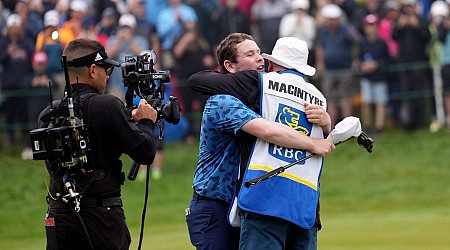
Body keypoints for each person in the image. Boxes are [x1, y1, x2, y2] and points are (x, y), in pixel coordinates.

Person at [186, 33, 334, 249]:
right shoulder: (222, 101)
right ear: (230, 66)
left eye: (259, 52)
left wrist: (326, 122)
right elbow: (267, 130)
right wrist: (312, 143)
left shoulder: (266, 97)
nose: (260, 59)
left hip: (248, 200)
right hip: (216, 204)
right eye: (250, 54)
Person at [39, 38, 158, 250]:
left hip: (59, 216)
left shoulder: (48, 114)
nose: (107, 76)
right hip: (101, 216)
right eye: (106, 70)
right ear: (93, 70)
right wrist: (147, 122)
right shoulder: (108, 105)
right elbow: (146, 153)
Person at [358, 14, 390, 135]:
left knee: (380, 102)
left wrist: (376, 64)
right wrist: (363, 66)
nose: (370, 29)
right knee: (366, 101)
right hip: (367, 77)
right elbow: (359, 59)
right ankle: (367, 126)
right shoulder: (362, 43)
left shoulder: (382, 43)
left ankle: (379, 126)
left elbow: (386, 60)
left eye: (373, 26)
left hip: (379, 77)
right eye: (368, 26)